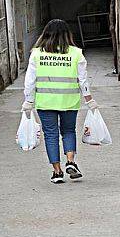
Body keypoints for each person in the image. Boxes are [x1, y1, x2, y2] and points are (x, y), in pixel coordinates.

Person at [22, 19, 99, 184]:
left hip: (45, 102)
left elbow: (30, 80)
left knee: (50, 135)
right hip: (69, 101)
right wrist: (89, 100)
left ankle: (57, 172)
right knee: (69, 131)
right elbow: (83, 80)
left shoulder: (37, 54)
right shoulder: (76, 53)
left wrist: (28, 101)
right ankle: (70, 161)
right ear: (67, 35)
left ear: (46, 34)